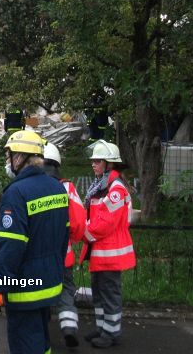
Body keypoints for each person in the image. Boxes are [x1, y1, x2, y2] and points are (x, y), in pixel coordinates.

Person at [0, 130, 69, 354]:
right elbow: (64, 236)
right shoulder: (57, 188)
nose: (8, 160)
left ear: (20, 157)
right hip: (50, 283)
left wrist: (1, 285)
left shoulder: (16, 193)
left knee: (26, 344)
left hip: (25, 289)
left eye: (10, 155)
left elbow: (11, 246)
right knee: (41, 341)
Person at [81, 140, 136, 349]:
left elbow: (105, 223)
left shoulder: (115, 189)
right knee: (99, 291)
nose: (93, 164)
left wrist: (83, 232)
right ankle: (102, 327)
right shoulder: (104, 186)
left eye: (98, 161)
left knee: (110, 293)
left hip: (110, 253)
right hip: (101, 252)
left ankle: (112, 334)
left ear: (109, 164)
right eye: (93, 161)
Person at [41, 141, 86, 349]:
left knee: (38, 289)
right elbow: (78, 222)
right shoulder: (67, 186)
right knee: (66, 290)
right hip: (63, 254)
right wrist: (72, 238)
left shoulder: (33, 186)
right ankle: (69, 327)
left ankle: (40, 331)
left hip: (37, 255)